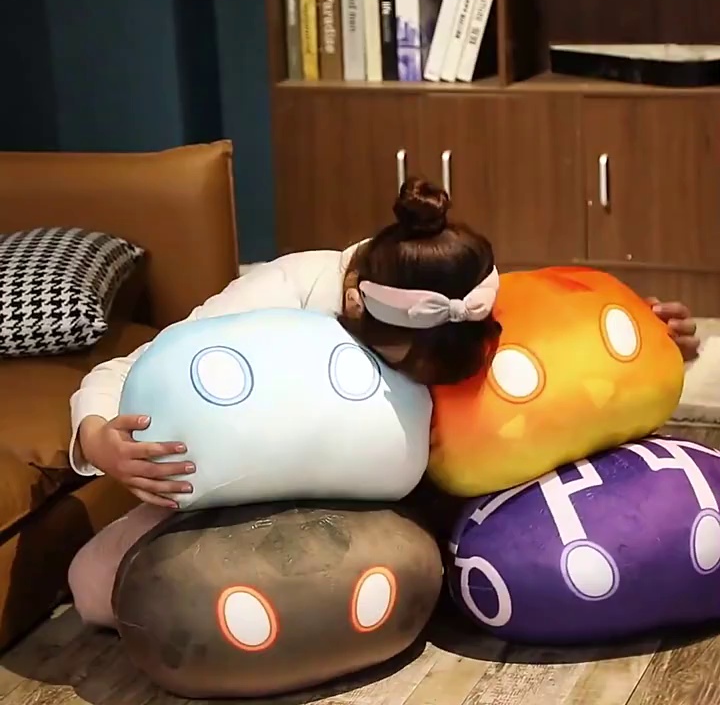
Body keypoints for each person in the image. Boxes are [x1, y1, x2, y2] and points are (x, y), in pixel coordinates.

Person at [67, 177, 700, 628]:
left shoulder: (456, 291)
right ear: (353, 305)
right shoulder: (280, 293)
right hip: (263, 485)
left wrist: (645, 333)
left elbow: (561, 346)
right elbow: (133, 367)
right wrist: (98, 437)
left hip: (423, 490)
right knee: (96, 589)